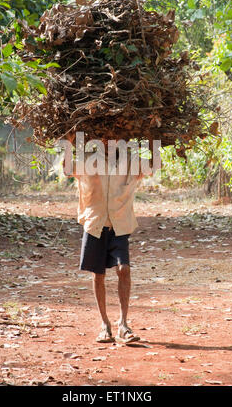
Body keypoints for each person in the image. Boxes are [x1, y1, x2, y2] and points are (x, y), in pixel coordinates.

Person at [63, 133, 156, 344]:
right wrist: (69, 142)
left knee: (124, 269)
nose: (110, 140)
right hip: (95, 222)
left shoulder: (131, 161)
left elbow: (151, 168)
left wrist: (152, 141)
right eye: (105, 137)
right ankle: (105, 324)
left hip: (120, 224)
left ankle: (124, 324)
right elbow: (67, 170)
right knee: (98, 274)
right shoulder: (88, 159)